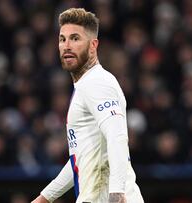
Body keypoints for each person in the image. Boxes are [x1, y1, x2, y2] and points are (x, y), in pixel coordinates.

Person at [31, 8, 144, 203]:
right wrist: (46, 197)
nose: (66, 46)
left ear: (93, 46)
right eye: (62, 39)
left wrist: (116, 195)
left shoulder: (97, 82)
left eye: (75, 38)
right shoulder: (86, 85)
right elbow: (82, 156)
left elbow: (117, 136)